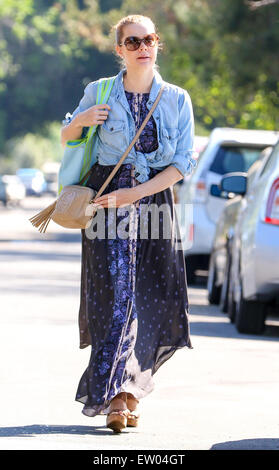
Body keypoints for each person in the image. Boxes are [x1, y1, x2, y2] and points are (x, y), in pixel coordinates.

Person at [61, 14, 197, 433]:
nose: (143, 47)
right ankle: (118, 395)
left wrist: (135, 195)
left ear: (157, 45)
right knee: (115, 297)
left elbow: (181, 165)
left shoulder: (176, 99)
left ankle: (129, 392)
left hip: (154, 203)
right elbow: (69, 137)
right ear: (119, 49)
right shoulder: (98, 91)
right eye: (133, 41)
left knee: (149, 296)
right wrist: (80, 122)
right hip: (105, 204)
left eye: (149, 40)